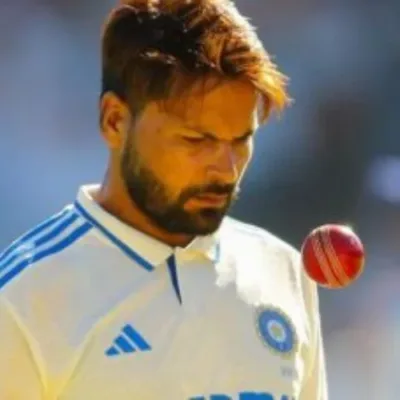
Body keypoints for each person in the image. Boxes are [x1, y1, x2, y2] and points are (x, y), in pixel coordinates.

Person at [0, 0, 328, 398]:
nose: (226, 170)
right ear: (115, 121)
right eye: (197, 140)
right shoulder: (21, 300)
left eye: (241, 140)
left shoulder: (285, 272)